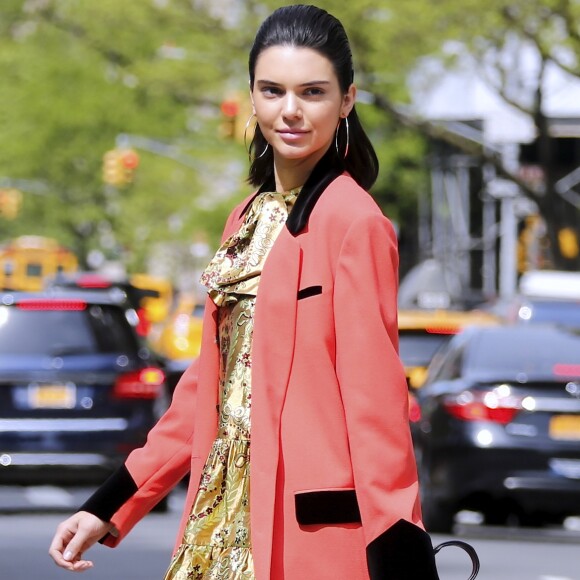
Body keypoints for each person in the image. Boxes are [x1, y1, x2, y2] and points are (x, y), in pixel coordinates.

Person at [49, 5, 441, 578]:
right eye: (272, 91)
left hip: (307, 531)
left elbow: (376, 404)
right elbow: (209, 386)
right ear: (252, 99)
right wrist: (109, 504)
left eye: (312, 92)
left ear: (347, 101)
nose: (290, 111)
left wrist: (402, 554)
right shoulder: (244, 219)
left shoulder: (354, 221)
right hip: (221, 513)